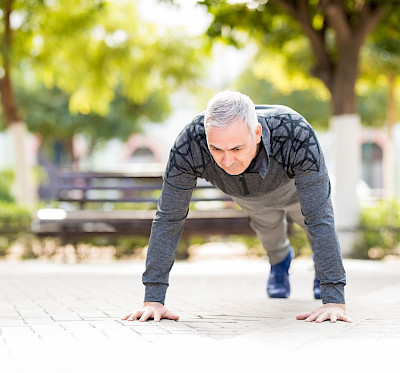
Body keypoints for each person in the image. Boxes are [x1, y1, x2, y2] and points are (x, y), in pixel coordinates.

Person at [122, 90, 351, 324]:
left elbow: (320, 217)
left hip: (296, 194)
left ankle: (320, 275)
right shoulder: (190, 142)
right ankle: (280, 263)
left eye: (236, 149)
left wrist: (334, 299)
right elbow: (169, 218)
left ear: (257, 133)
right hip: (249, 198)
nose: (227, 160)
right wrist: (153, 300)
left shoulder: (295, 133)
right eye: (217, 150)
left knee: (311, 226)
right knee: (270, 234)